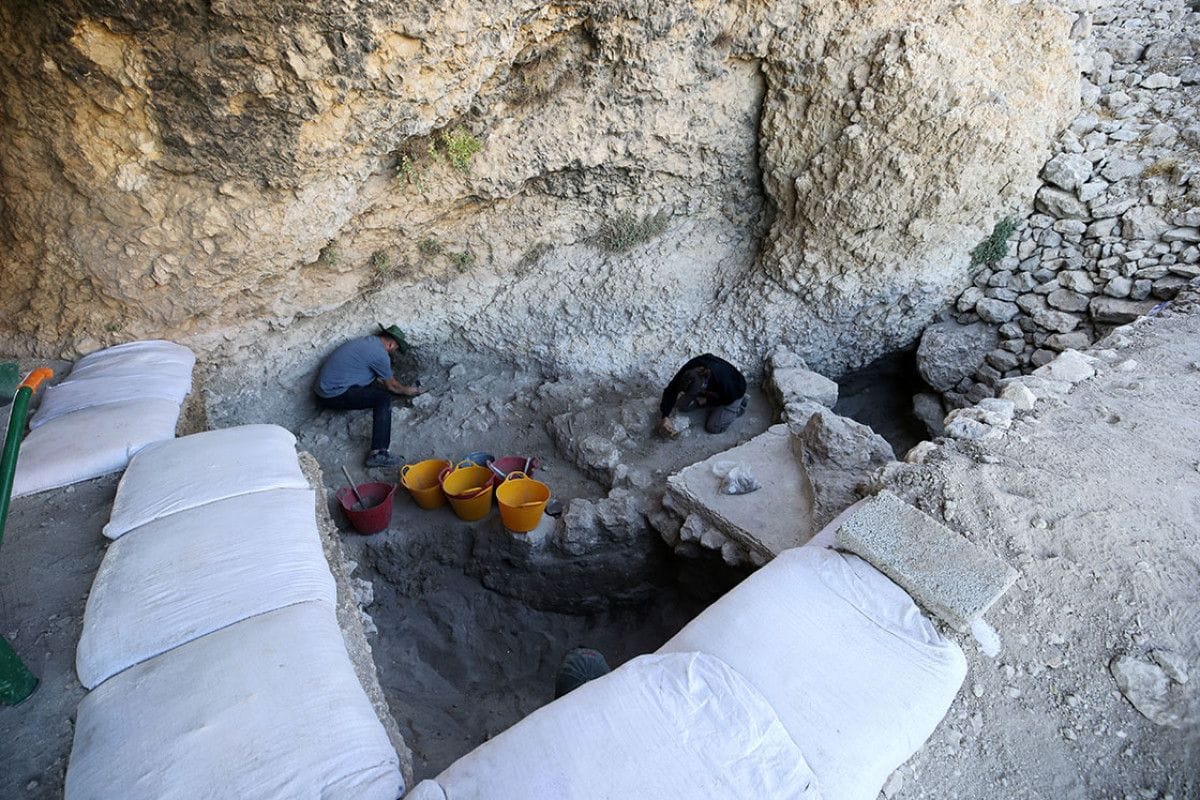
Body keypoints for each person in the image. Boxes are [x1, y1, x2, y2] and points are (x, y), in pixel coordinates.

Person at [314, 324, 423, 468]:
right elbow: (393, 386)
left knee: (375, 384)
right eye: (396, 349)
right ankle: (379, 454)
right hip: (333, 395)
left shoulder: (367, 342)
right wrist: (408, 391)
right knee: (383, 399)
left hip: (322, 389)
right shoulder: (380, 355)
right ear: (391, 344)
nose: (393, 352)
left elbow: (372, 375)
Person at [658, 353, 747, 437]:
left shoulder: (726, 383)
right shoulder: (691, 368)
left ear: (703, 386)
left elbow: (727, 399)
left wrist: (708, 400)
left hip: (735, 393)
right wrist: (665, 416)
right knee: (681, 406)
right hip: (710, 389)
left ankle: (739, 406)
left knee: (713, 427)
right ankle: (710, 404)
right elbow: (671, 389)